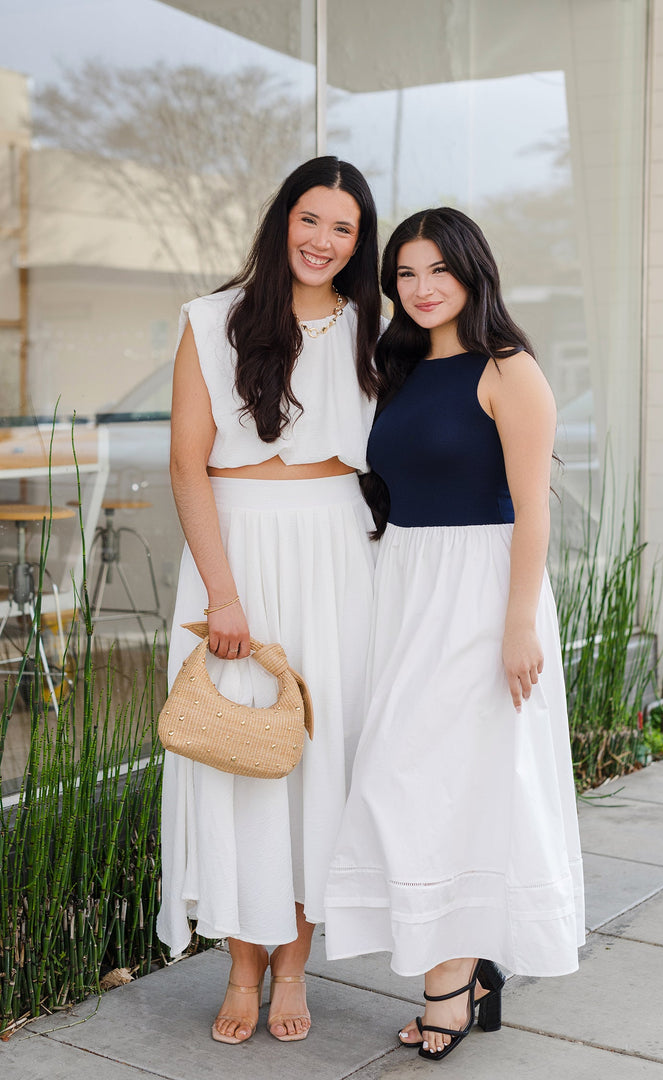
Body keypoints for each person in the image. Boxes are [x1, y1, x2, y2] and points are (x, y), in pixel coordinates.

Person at [323, 208, 585, 1062]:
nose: (422, 287)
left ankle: (452, 983)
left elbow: (533, 509)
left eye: (438, 269)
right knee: (404, 778)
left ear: (473, 271)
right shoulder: (393, 371)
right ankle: (465, 971)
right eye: (404, 273)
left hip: (484, 593)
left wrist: (517, 624)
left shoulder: (510, 370)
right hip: (406, 586)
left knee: (465, 785)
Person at [157, 156, 381, 1046]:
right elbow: (186, 464)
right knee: (237, 756)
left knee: (316, 760)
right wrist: (223, 595)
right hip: (237, 549)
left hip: (336, 555)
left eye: (344, 228)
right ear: (281, 220)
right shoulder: (211, 320)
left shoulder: (373, 328)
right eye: (310, 219)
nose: (322, 241)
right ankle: (241, 967)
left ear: (358, 243)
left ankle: (294, 965)